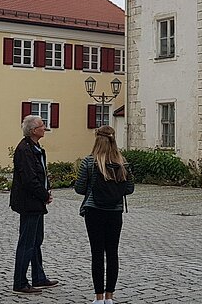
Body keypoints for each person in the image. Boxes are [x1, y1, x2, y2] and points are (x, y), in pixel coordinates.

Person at [74, 126, 135, 304]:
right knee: (113, 253)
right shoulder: (122, 163)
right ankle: (110, 296)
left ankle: (98, 297)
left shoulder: (89, 162)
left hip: (94, 211)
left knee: (97, 254)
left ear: (96, 140)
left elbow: (79, 188)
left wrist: (93, 189)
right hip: (115, 212)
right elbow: (129, 189)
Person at [9, 115, 58, 295]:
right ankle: (20, 281)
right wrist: (44, 195)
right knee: (27, 242)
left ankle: (38, 276)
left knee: (36, 241)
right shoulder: (25, 150)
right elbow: (30, 179)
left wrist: (45, 192)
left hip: (35, 201)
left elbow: (41, 173)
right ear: (33, 130)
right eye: (42, 126)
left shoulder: (35, 147)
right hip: (29, 202)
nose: (45, 128)